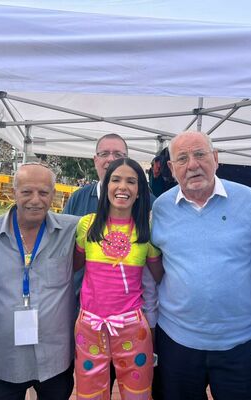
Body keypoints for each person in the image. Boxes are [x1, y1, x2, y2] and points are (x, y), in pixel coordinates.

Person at [151, 130, 251, 399]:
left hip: (239, 342)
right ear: (171, 168)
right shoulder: (161, 208)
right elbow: (154, 268)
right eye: (182, 159)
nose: (192, 165)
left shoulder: (249, 199)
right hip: (177, 341)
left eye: (200, 154)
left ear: (215, 158)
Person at [62, 133, 160, 397]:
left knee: (138, 393)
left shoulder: (147, 231)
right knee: (90, 394)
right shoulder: (87, 225)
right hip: (90, 328)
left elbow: (160, 277)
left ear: (140, 191)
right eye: (115, 180)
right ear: (105, 186)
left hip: (133, 330)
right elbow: (73, 267)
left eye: (131, 181)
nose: (122, 186)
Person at [0, 163, 79, 400]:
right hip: (4, 359)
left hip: (55, 359)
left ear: (53, 195)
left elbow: (112, 222)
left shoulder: (72, 229)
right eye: (26, 192)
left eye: (43, 192)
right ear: (14, 192)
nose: (35, 200)